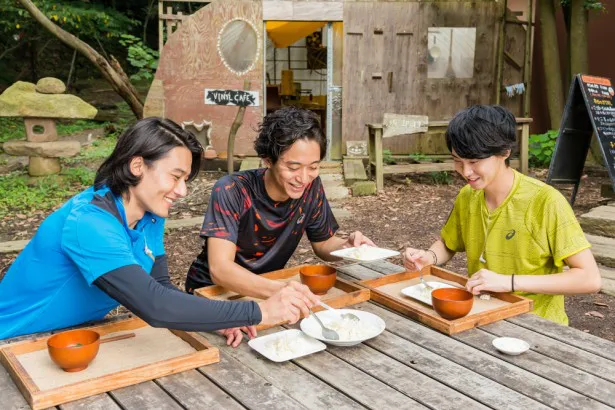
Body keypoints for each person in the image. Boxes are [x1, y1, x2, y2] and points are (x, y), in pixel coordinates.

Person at [0, 117, 318, 344]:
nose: (181, 191)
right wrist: (257, 311)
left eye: (185, 180)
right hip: (16, 341)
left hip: (78, 335)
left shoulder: (150, 214)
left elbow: (162, 287)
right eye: (175, 176)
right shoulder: (89, 224)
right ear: (137, 166)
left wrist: (219, 319)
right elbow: (154, 306)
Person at [403, 105, 601, 325]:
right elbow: (449, 243)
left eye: (474, 161)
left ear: (505, 152)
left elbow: (589, 278)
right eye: (458, 160)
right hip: (480, 319)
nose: (465, 172)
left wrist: (510, 282)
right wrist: (428, 257)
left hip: (538, 327)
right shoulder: (468, 196)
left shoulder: (545, 202)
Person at [186, 107, 374, 297]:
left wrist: (346, 248)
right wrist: (282, 291)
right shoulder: (232, 190)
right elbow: (220, 270)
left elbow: (323, 242)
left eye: (313, 167)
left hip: (266, 287)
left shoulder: (311, 186)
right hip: (211, 291)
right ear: (268, 160)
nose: (304, 178)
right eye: (293, 167)